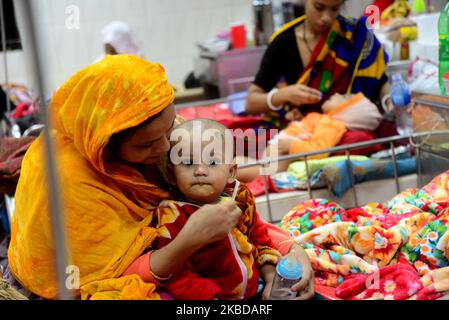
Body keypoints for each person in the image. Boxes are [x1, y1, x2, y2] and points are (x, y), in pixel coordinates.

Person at [7, 54, 314, 300]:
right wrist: (188, 241)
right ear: (106, 147)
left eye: (169, 130)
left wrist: (290, 252)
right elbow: (108, 277)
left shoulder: (162, 133)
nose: (168, 149)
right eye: (146, 145)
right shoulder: (69, 185)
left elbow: (248, 224)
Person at [124, 119, 281, 300]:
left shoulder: (241, 196)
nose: (200, 170)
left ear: (231, 172)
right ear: (172, 174)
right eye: (188, 162)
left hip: (258, 289)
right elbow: (177, 274)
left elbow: (260, 240)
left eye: (212, 162)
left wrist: (271, 278)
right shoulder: (172, 216)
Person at [245, 0, 390, 130]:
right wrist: (285, 94)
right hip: (303, 131)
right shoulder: (283, 43)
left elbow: (379, 82)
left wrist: (390, 101)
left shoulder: (354, 37)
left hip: (349, 130)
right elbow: (251, 103)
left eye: (334, 9)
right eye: (319, 7)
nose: (326, 17)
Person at [237, 92, 383, 182]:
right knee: (238, 164)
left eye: (344, 97)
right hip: (275, 156)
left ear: (346, 111)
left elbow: (319, 150)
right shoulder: (324, 120)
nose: (337, 93)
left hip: (282, 159)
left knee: (238, 166)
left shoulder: (331, 125)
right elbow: (307, 132)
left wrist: (291, 146)